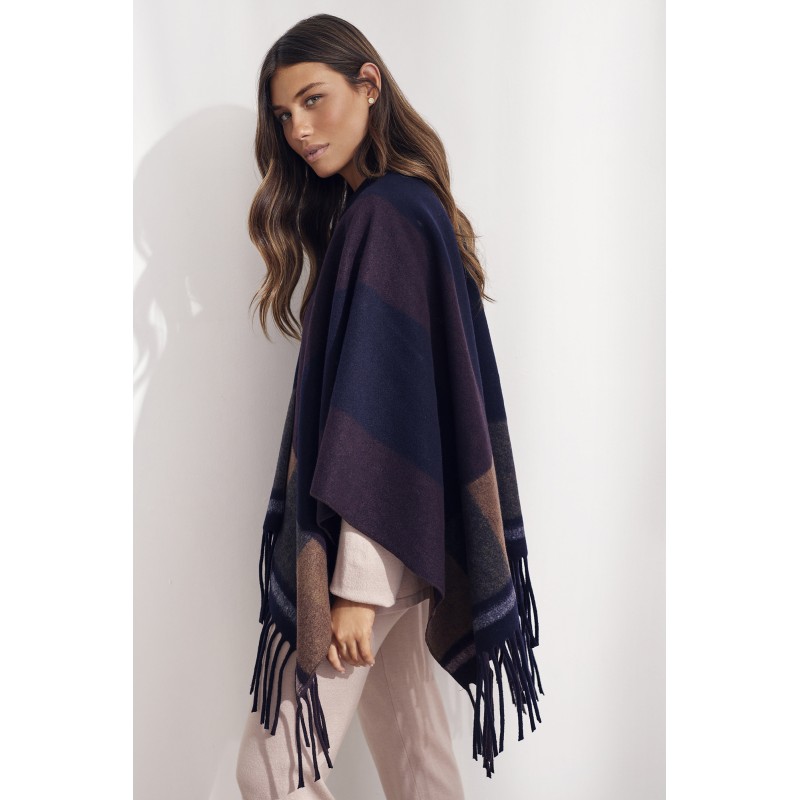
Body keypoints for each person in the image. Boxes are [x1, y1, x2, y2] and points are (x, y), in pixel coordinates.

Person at [236, 12, 543, 800]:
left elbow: (386, 419)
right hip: (411, 529)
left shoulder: (386, 214)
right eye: (284, 116)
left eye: (313, 100)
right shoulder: (400, 207)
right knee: (416, 760)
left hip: (376, 542)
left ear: (368, 84)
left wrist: (355, 591)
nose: (299, 131)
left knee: (269, 773)